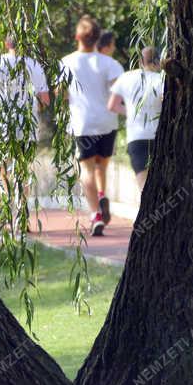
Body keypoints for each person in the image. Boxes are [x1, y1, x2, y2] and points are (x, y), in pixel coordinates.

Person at [60, 16, 124, 236]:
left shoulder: (67, 62)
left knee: (86, 169)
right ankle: (102, 193)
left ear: (77, 37)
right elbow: (119, 92)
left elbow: (61, 94)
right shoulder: (110, 63)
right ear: (97, 38)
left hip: (83, 123)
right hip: (107, 122)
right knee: (102, 166)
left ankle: (96, 213)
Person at [0, 35, 50, 196]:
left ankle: (5, 200)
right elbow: (45, 98)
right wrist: (35, 107)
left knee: (1, 166)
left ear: (6, 44)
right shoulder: (32, 64)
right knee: (23, 169)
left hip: (0, 122)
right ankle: (21, 208)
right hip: (26, 123)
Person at [108, 46, 164, 190]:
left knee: (144, 186)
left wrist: (132, 112)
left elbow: (112, 105)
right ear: (158, 62)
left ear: (140, 61)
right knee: (161, 184)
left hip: (137, 138)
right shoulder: (162, 80)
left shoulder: (126, 77)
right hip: (160, 137)